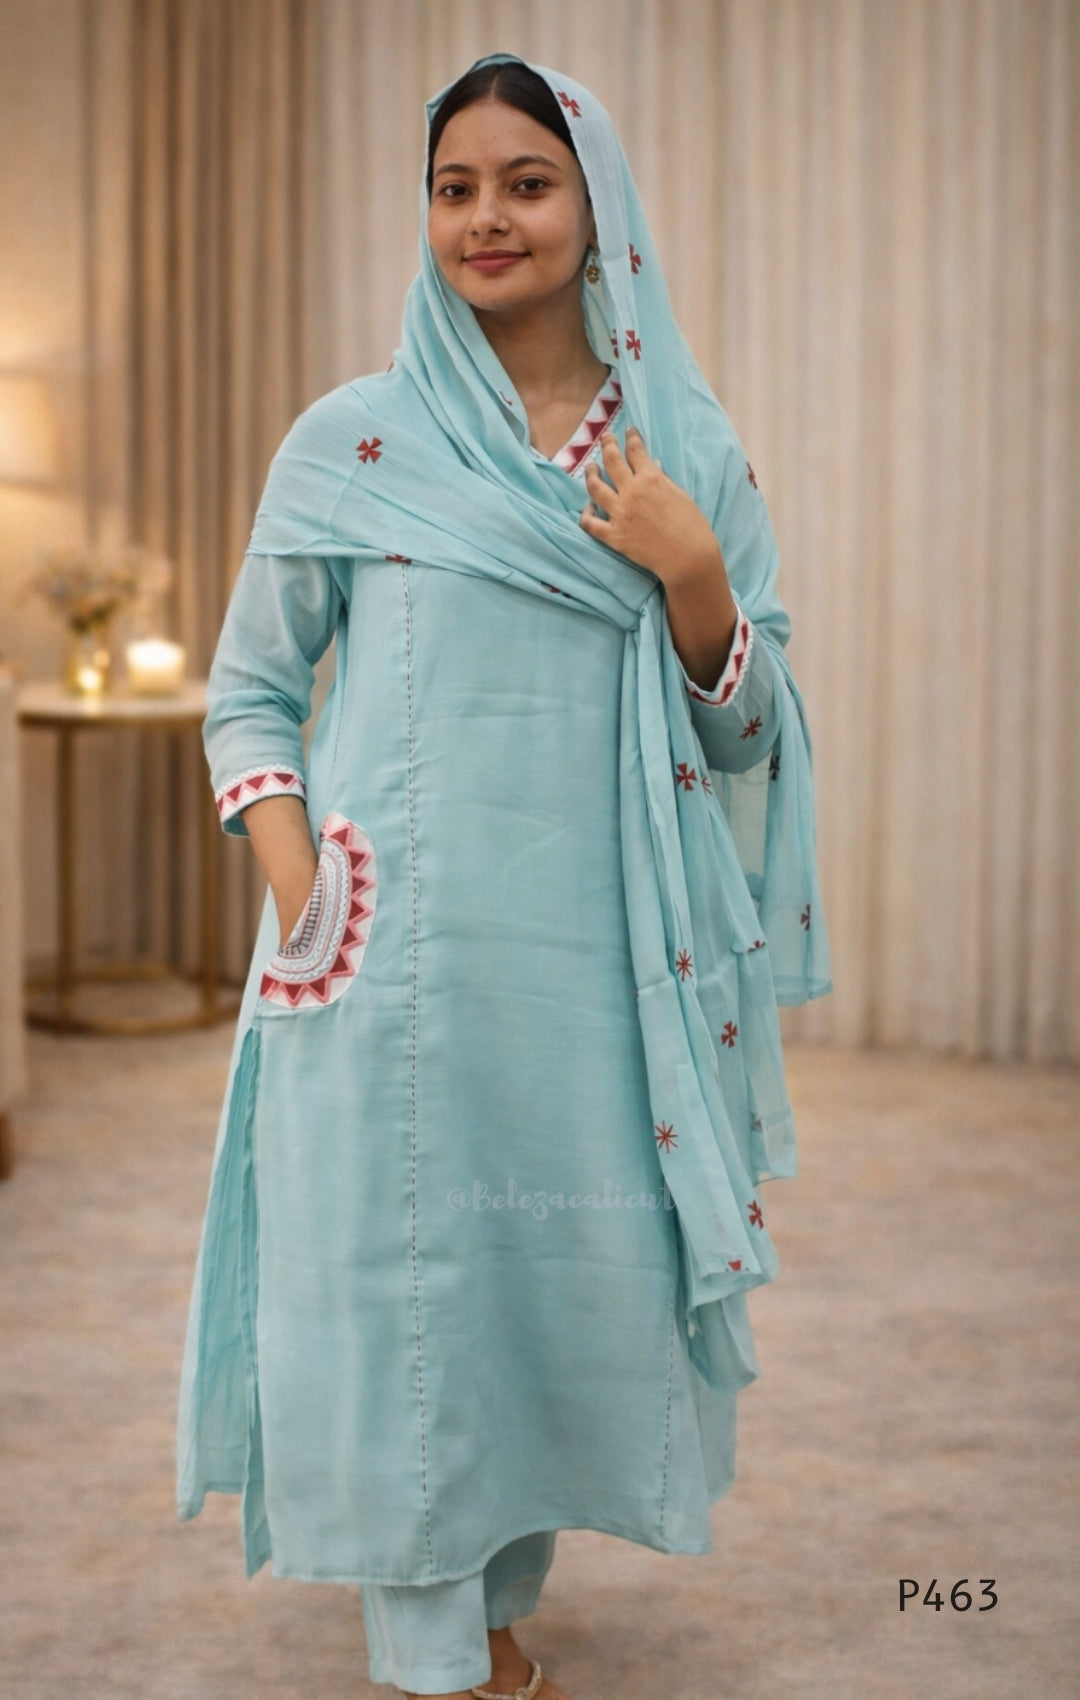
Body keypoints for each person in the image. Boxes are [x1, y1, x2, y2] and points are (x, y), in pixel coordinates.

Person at [175, 51, 832, 1700]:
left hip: (597, 975)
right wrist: (302, 892)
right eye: (453, 187)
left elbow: (754, 731)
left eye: (527, 184)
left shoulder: (680, 453)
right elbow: (250, 693)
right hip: (383, 961)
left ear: (596, 209)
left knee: (541, 1294)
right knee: (391, 1291)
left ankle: (491, 1614)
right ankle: (439, 1660)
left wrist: (692, 575)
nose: (488, 217)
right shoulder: (355, 441)